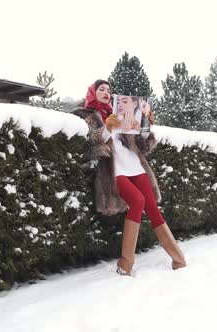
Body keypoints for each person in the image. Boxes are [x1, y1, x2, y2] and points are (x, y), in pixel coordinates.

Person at [73, 80, 186, 276]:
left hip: (136, 167)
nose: (106, 92)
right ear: (92, 92)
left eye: (109, 89)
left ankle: (178, 259)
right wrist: (107, 128)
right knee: (137, 201)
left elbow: (143, 146)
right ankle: (125, 263)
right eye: (101, 89)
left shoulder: (121, 111)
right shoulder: (85, 115)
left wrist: (145, 125)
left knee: (153, 209)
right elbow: (90, 147)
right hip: (116, 171)